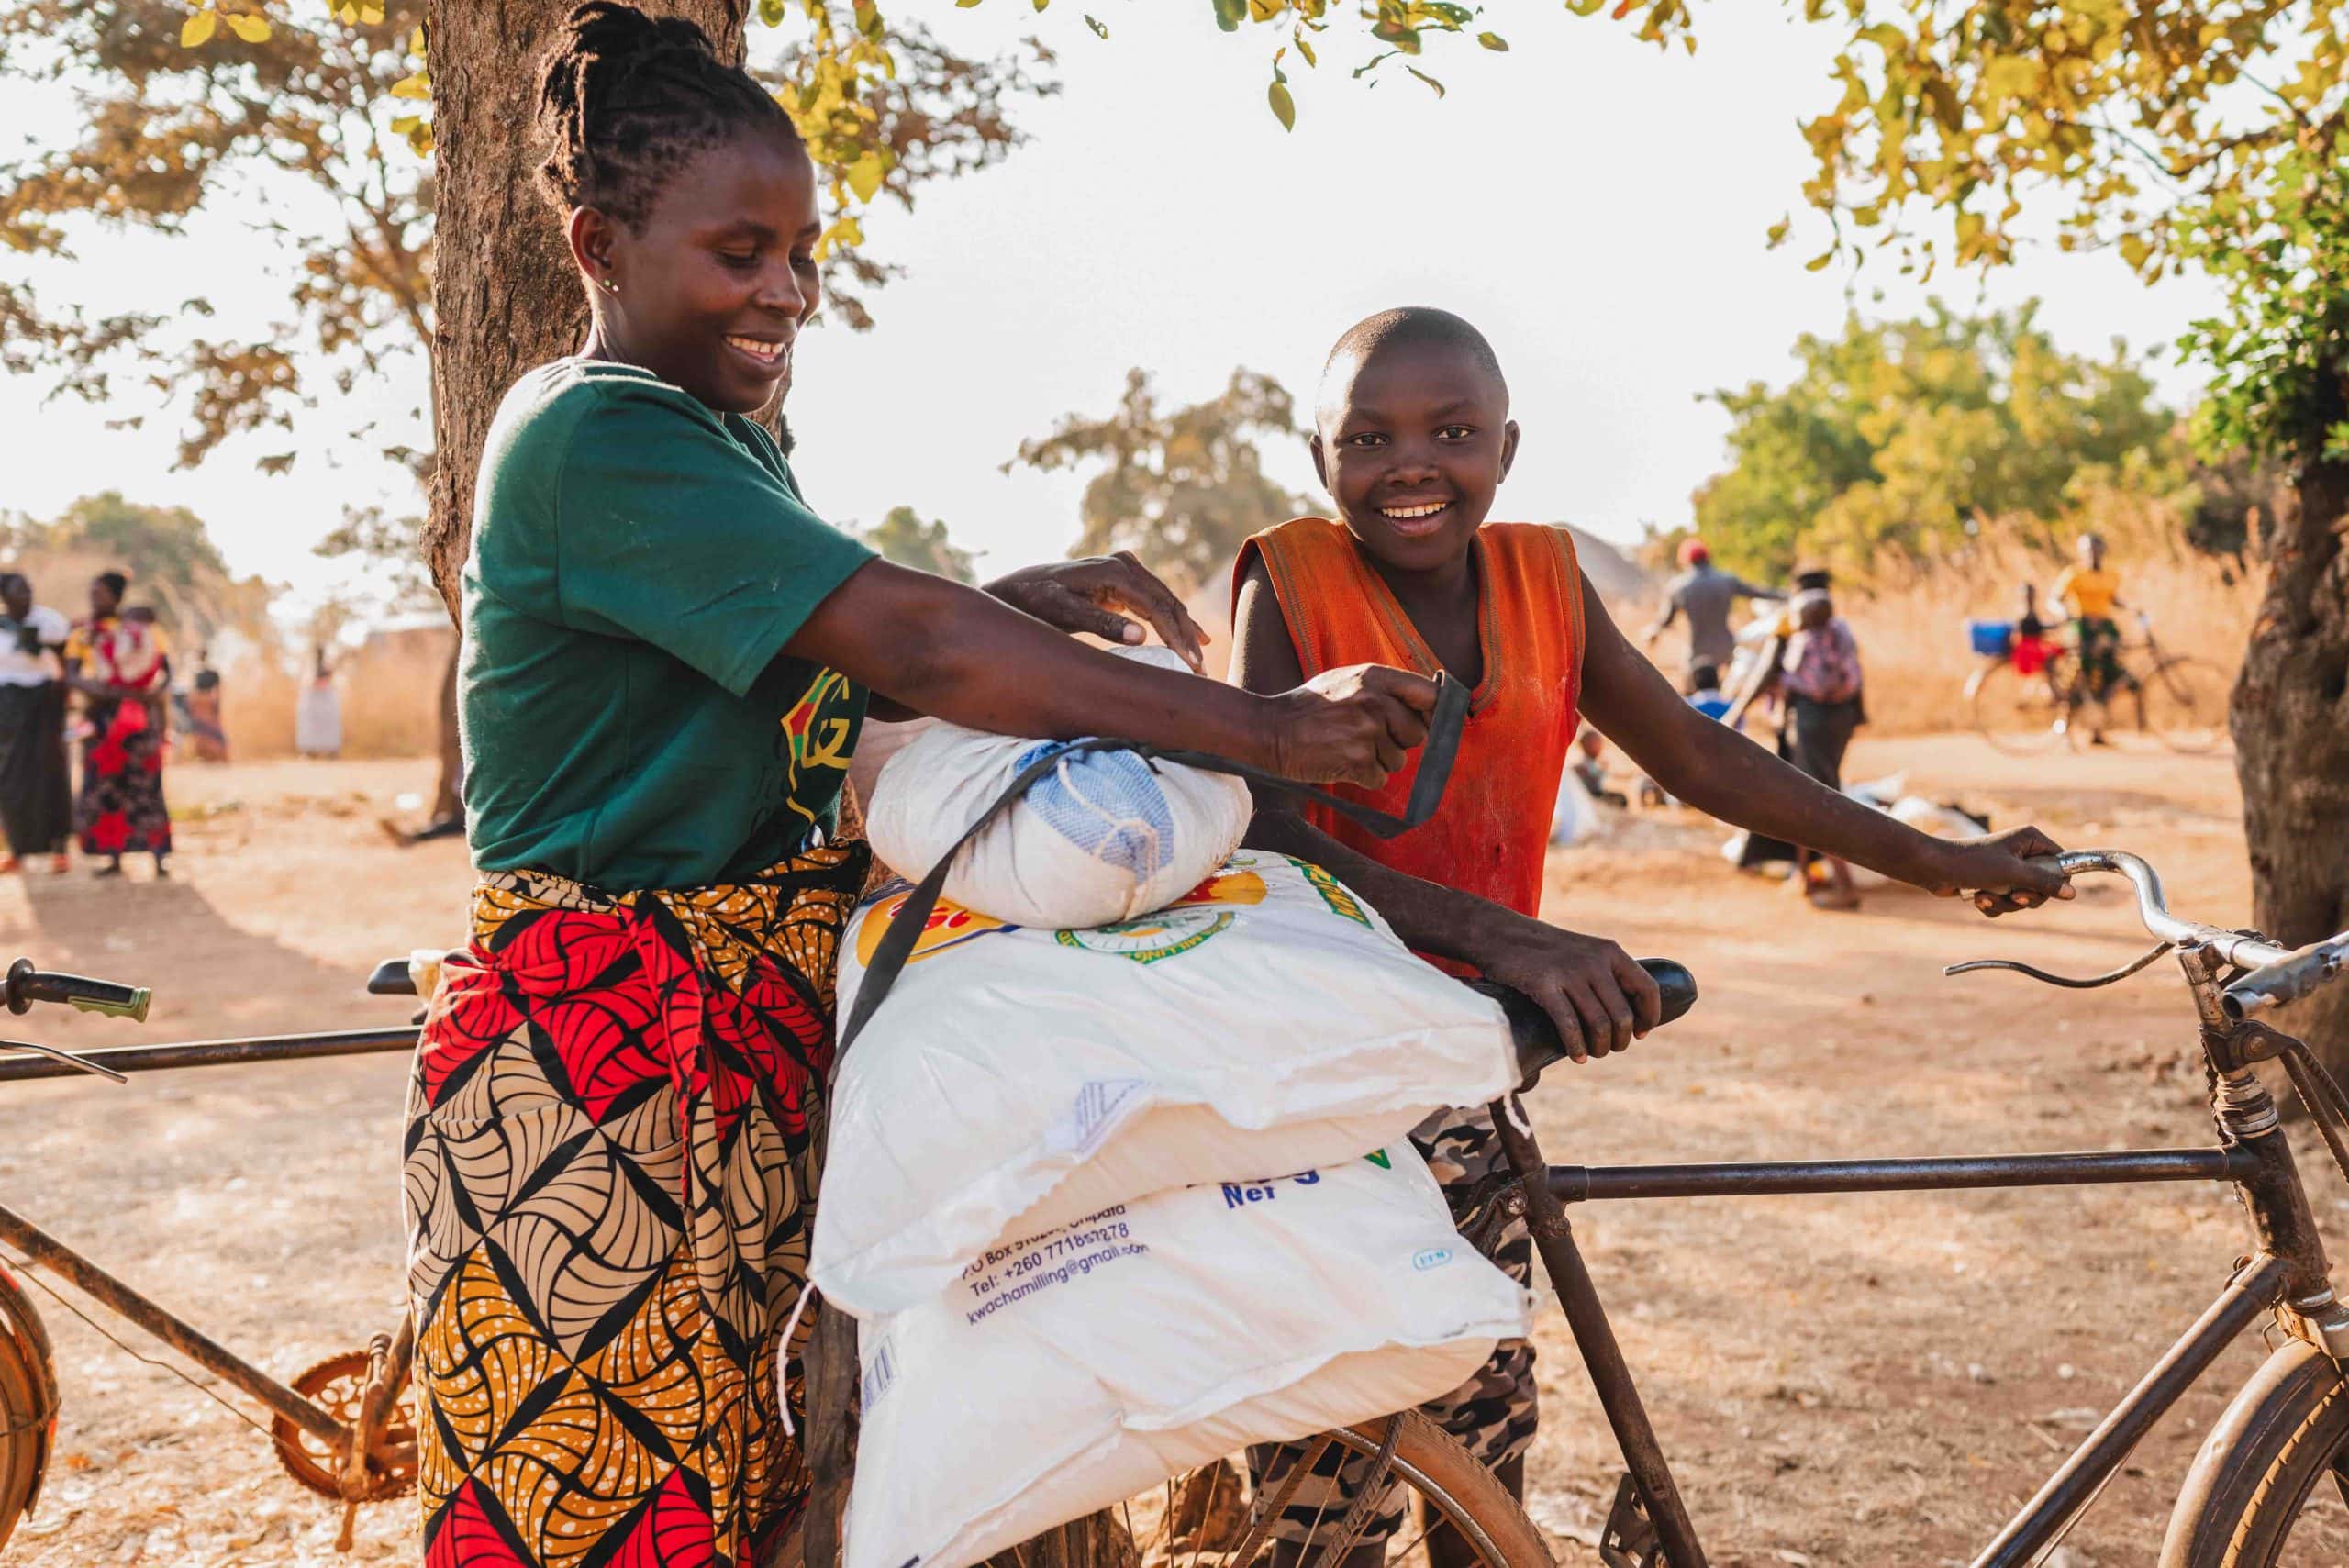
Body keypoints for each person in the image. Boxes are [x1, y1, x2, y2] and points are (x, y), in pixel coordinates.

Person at [400, 11, 1437, 1567]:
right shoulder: (594, 431)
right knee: (601, 1516)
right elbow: (911, 641)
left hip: (712, 1048)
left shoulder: (718, 441)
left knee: (743, 1498)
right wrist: (1266, 732)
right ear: (600, 244)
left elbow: (819, 665)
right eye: (740, 251)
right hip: (594, 1077)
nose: (786, 292)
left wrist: (1013, 597)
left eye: (802, 251)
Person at [1230, 306, 2067, 1563]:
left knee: (1484, 1422)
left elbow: (1694, 753)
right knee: (1327, 1454)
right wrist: (1507, 938)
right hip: (1319, 1070)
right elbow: (1265, 831)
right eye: (1371, 437)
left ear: (1505, 448)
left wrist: (1938, 860)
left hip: (1475, 1060)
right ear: (1319, 457)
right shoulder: (1289, 582)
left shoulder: (1545, 581)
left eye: (1451, 431)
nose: (1413, 463)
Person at [62, 573, 171, 879]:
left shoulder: (146, 631)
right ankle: (113, 856)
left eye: (101, 594)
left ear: (117, 597)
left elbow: (165, 671)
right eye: (91, 593)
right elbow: (72, 674)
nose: (94, 599)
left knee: (146, 783)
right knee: (106, 785)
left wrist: (150, 696)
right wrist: (105, 690)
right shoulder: (83, 634)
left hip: (138, 715)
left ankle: (158, 856)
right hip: (103, 718)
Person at [1776, 586, 1866, 909]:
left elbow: (1788, 678)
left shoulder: (1804, 643)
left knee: (1819, 799)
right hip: (1840, 720)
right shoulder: (1842, 635)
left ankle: (1846, 885)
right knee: (1808, 794)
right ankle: (1802, 874)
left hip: (1811, 722)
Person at [0, 573, 72, 873]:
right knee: (12, 776)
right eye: (19, 591)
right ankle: (17, 849)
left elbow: (67, 662)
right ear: (4, 596)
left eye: (29, 589)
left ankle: (59, 849)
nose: (26, 595)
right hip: (8, 705)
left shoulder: (51, 622)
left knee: (50, 771)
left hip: (44, 702)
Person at [1644, 537, 1784, 690]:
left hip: (1696, 651)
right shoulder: (1726, 580)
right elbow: (1757, 592)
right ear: (1707, 557)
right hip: (1726, 650)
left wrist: (1652, 631)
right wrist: (1787, 595)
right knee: (1724, 696)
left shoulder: (1679, 587)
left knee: (1691, 697)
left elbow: (1664, 620)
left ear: (1685, 561)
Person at [2049, 531, 2142, 742]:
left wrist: (2132, 608)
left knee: (2112, 673)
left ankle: (2097, 729)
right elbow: (2054, 599)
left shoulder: (2111, 575)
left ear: (2103, 552)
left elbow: (2113, 599)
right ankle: (2064, 720)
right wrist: (2063, 613)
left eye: (2096, 550)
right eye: (2088, 551)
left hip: (2106, 628)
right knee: (2079, 670)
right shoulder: (2074, 574)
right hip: (2082, 626)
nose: (2092, 555)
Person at [295, 645, 341, 758]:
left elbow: (327, 680)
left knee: (329, 726)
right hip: (313, 700)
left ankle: (331, 751)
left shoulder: (326, 667)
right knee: (310, 726)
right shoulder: (309, 668)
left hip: (324, 700)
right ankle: (310, 751)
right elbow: (310, 683)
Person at [182, 651, 228, 762]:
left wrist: (216, 705)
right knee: (200, 731)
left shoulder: (212, 673)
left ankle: (220, 755)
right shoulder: (197, 673)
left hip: (208, 703)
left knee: (213, 729)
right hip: (199, 704)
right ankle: (205, 756)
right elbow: (194, 690)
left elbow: (217, 690)